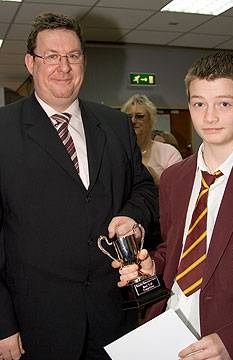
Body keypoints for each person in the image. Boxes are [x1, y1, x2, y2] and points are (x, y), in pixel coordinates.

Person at [0, 13, 158, 360]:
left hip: (114, 318)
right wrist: (2, 323)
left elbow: (144, 189)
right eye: (51, 56)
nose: (64, 66)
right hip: (35, 326)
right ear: (30, 62)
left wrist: (132, 215)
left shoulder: (115, 125)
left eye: (73, 56)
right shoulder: (4, 131)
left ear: (83, 61)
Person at [115, 52, 233, 359]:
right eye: (199, 103)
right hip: (166, 332)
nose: (209, 116)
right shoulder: (175, 178)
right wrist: (152, 266)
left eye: (224, 104)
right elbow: (175, 249)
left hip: (229, 338)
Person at [121, 94, 182, 187]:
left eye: (139, 116)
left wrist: (157, 180)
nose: (133, 121)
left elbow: (179, 189)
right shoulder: (117, 152)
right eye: (129, 117)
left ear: (151, 120)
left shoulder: (169, 153)